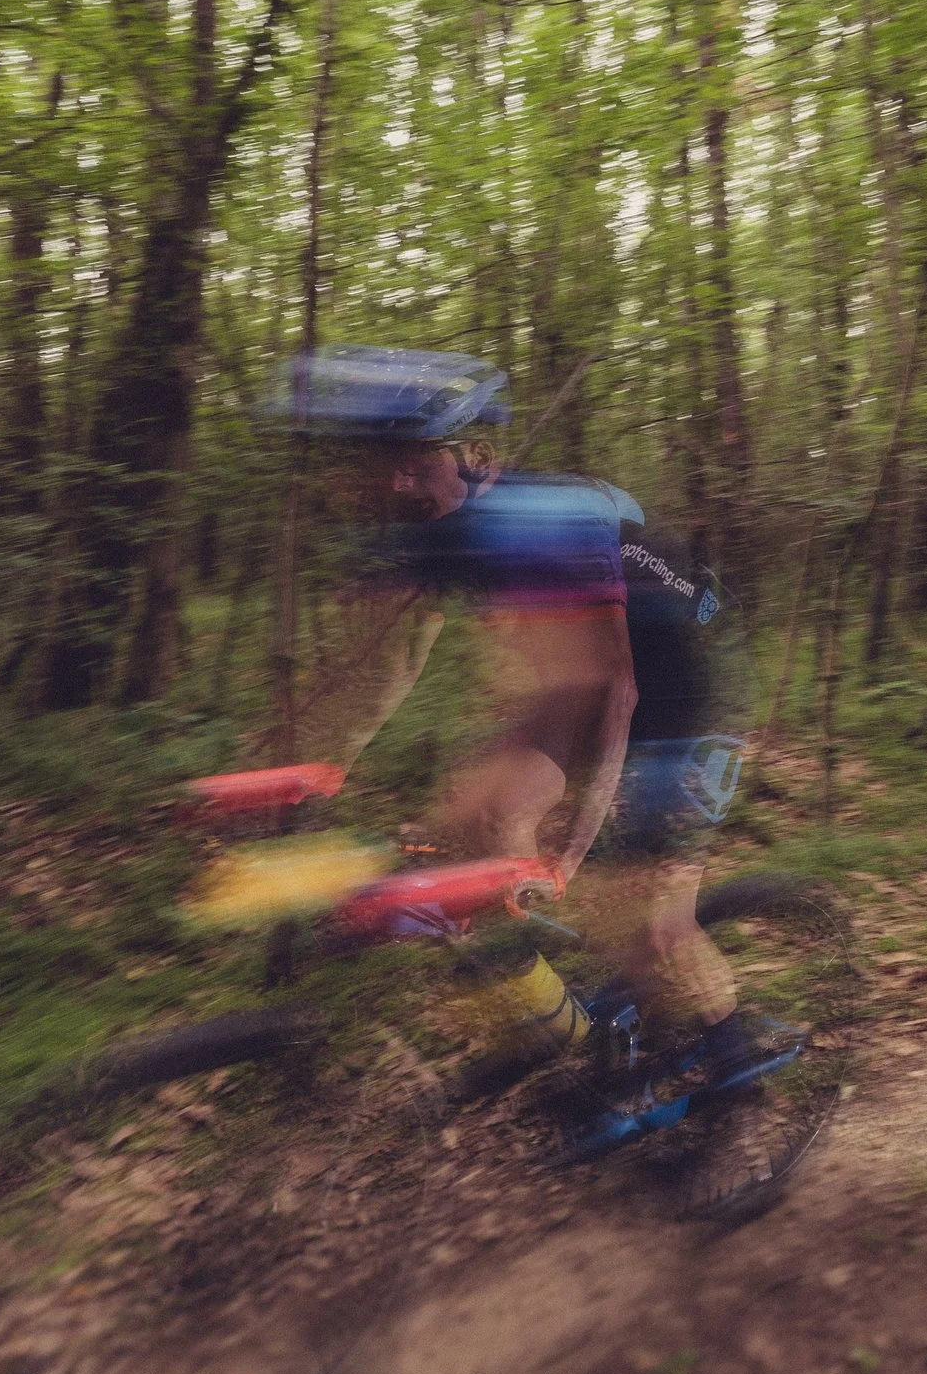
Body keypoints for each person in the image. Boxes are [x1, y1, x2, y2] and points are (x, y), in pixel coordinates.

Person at [276, 344, 761, 1096]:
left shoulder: (551, 522)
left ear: (477, 456)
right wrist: (312, 773)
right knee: (465, 836)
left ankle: (737, 1072)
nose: (396, 480)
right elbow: (385, 667)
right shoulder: (433, 530)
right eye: (382, 461)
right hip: (576, 682)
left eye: (416, 459)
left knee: (648, 915)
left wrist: (573, 850)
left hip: (689, 688)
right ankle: (552, 1030)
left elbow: (622, 688)